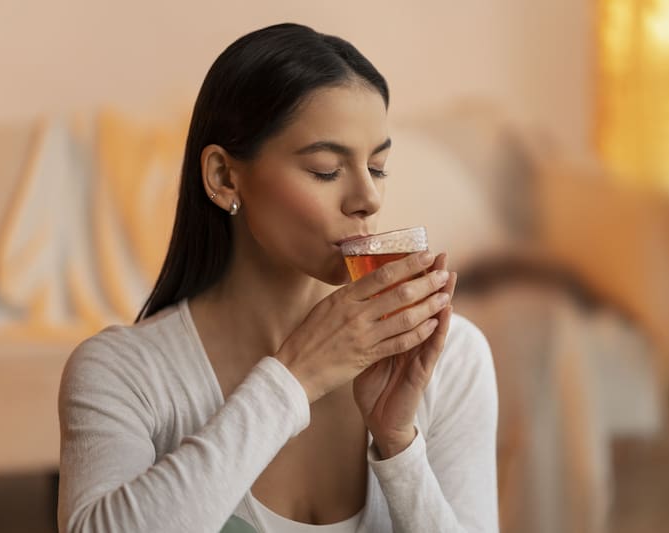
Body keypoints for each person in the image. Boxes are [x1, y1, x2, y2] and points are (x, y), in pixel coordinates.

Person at [57, 23, 499, 533]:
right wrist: (293, 379)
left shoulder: (450, 358)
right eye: (327, 170)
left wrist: (399, 445)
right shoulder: (123, 374)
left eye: (376, 168)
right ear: (224, 177)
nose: (368, 199)